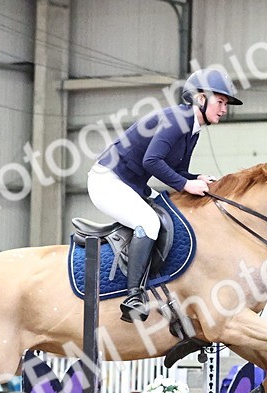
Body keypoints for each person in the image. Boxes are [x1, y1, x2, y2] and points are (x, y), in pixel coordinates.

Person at [88, 67, 243, 322]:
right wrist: (185, 185)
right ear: (200, 99)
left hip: (130, 183)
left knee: (168, 213)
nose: (224, 109)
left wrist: (195, 178)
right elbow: (152, 161)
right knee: (148, 222)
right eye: (220, 101)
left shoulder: (192, 127)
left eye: (225, 103)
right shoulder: (178, 120)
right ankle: (133, 296)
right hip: (108, 181)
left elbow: (178, 169)